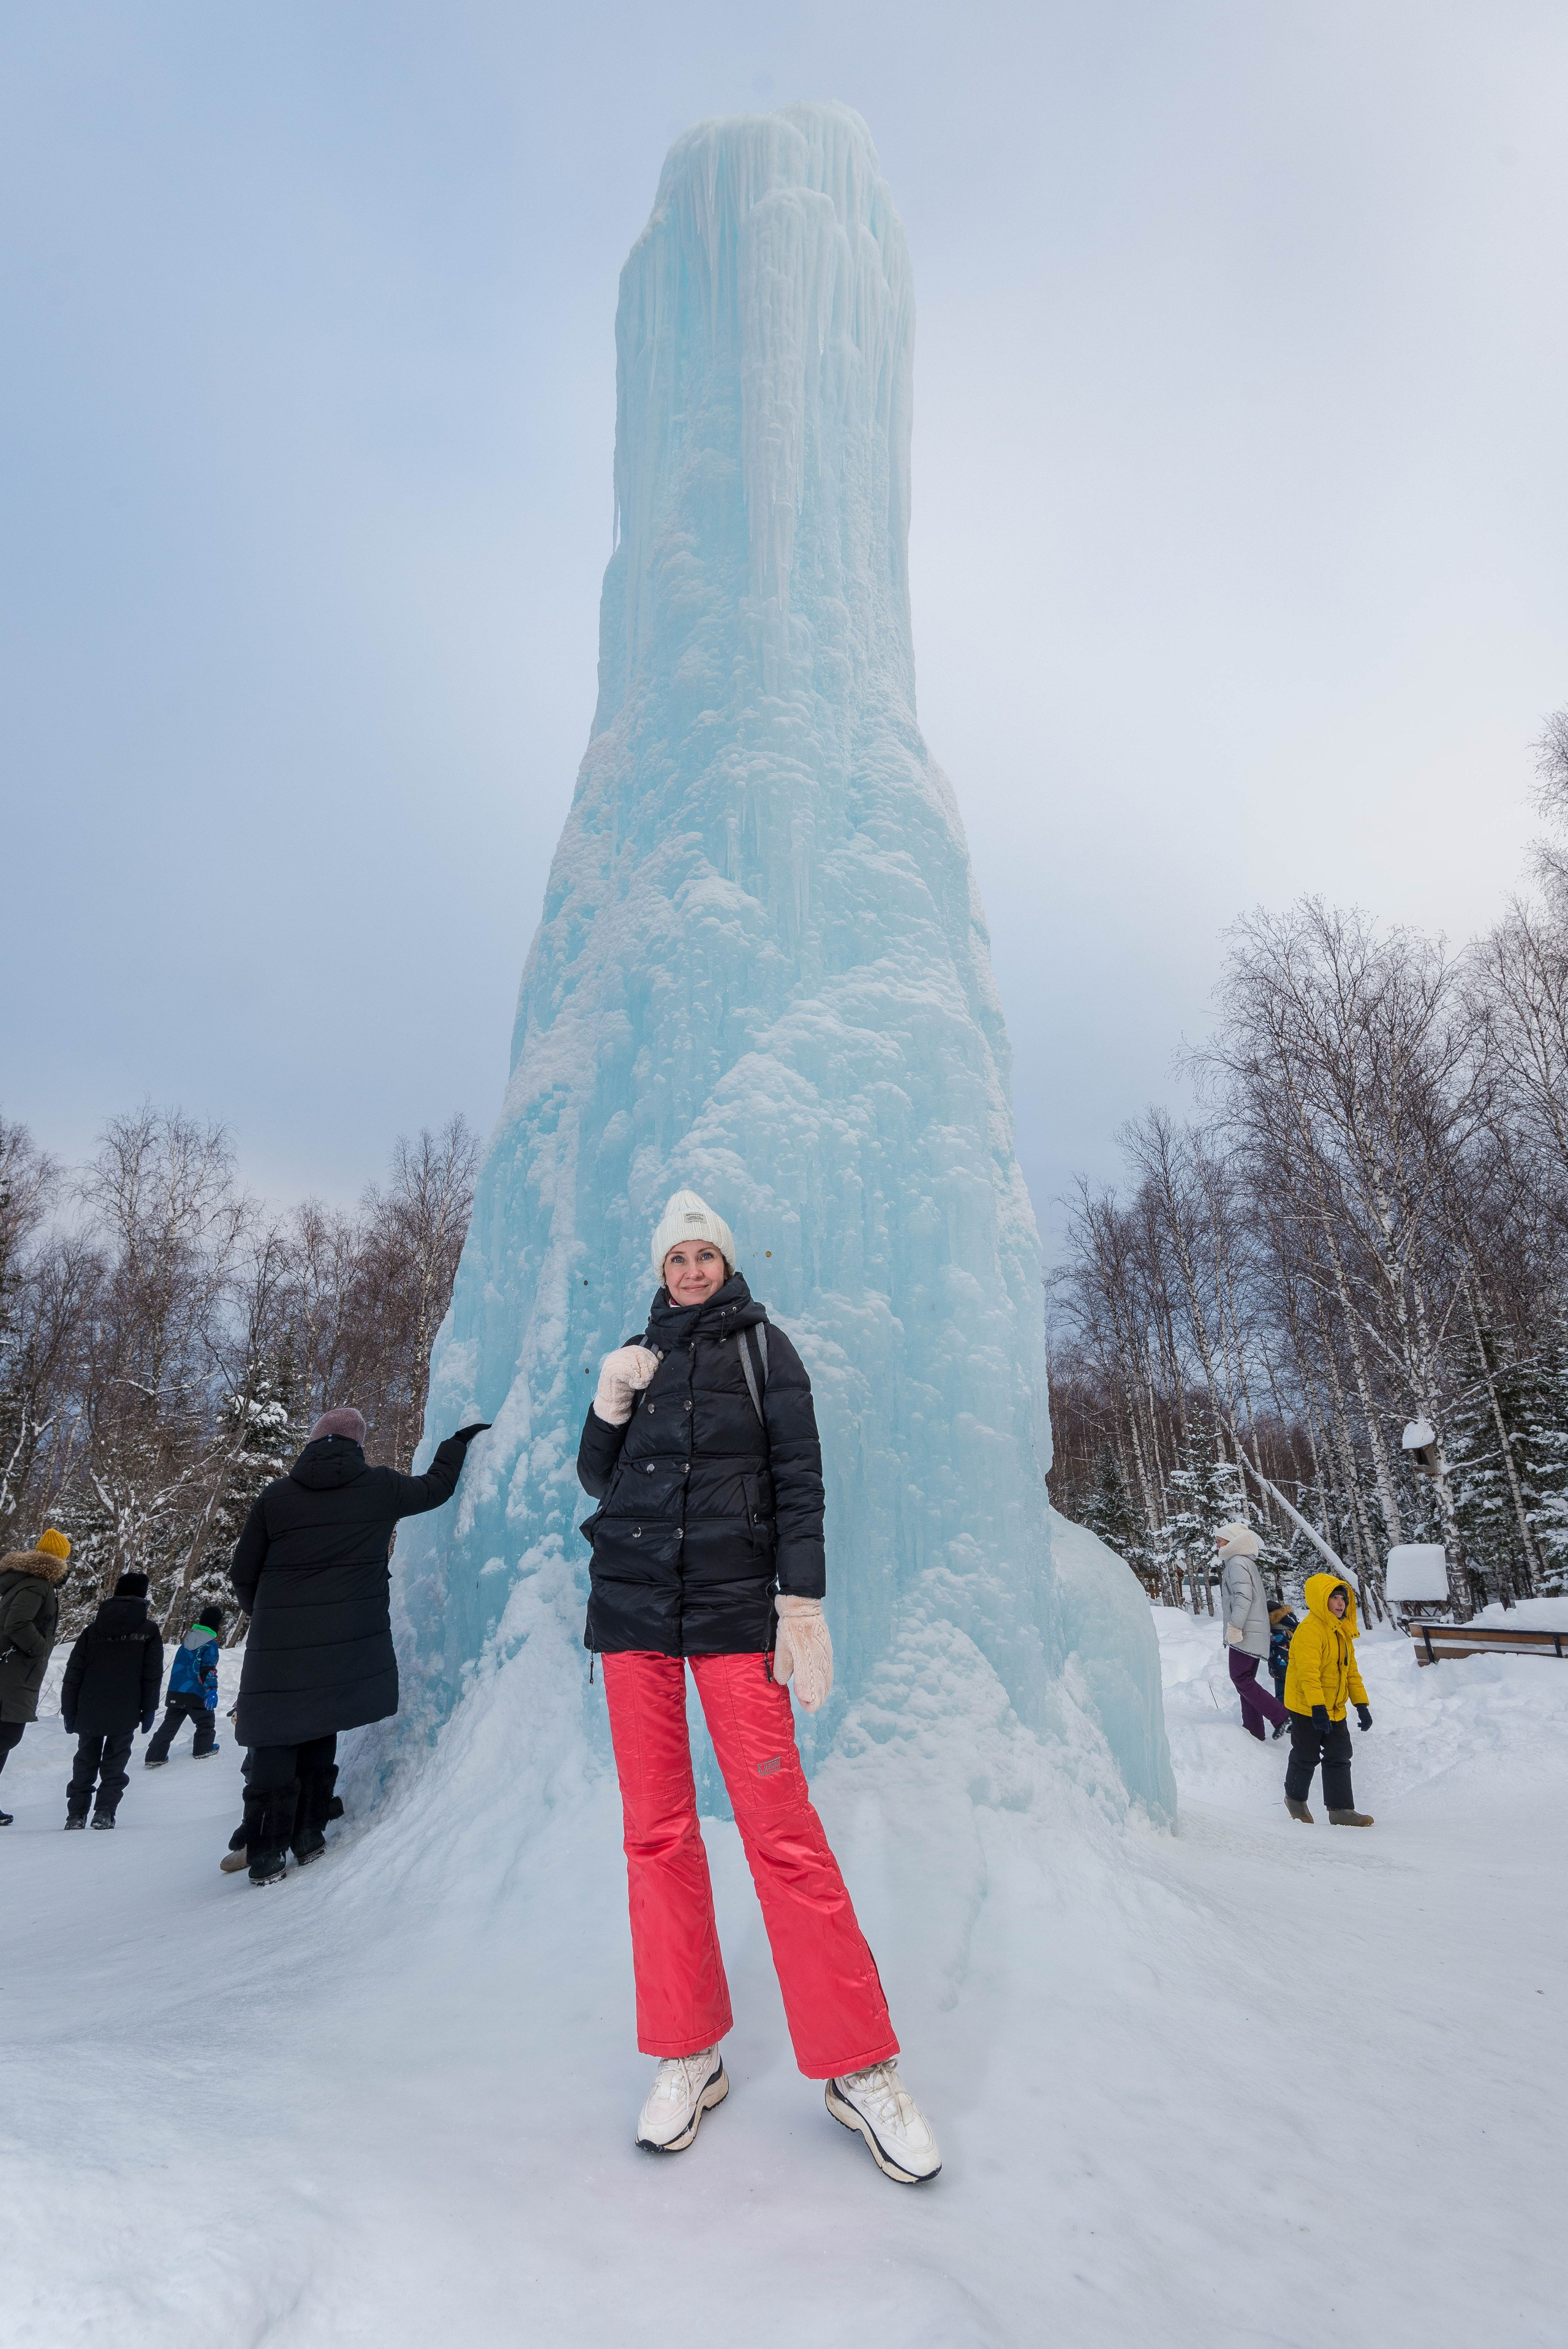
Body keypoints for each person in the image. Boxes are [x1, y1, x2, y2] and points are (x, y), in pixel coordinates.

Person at [577, 1188, 941, 2186]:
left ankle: (860, 2067)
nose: (689, 1270)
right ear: (661, 1269)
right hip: (634, 1618)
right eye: (675, 1258)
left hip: (738, 1620)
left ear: (726, 1264)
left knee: (782, 1831)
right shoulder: (639, 1355)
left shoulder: (764, 1352)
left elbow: (800, 1480)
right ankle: (686, 2053)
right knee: (656, 1832)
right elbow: (600, 1482)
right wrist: (609, 1406)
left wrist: (803, 1602)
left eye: (703, 1255)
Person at [229, 1403, 488, 1886]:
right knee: (318, 1726)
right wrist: (456, 1444)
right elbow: (436, 1487)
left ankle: (265, 1855)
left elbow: (242, 1573)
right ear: (357, 1444)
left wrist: (266, 1615)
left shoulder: (277, 1497)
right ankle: (308, 1837)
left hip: (279, 1643)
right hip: (343, 1638)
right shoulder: (380, 1487)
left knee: (275, 1741)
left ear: (312, 1443)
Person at [60, 1570, 164, 1828]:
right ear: (143, 1596)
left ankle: (76, 1815)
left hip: (90, 1703)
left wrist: (69, 1708)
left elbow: (74, 1672)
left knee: (86, 1758)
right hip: (126, 1707)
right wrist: (149, 1709)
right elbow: (152, 1675)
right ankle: (105, 1811)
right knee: (116, 1761)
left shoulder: (93, 1630)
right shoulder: (148, 1630)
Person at [1282, 1572, 1374, 1827]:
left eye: (1342, 1598)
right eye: (1333, 1598)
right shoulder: (1310, 1630)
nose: (1340, 1603)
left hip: (1335, 1707)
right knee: (1306, 1755)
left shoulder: (1342, 1631)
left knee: (1340, 1754)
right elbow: (1307, 1673)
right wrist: (1317, 1708)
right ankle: (1295, 1799)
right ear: (1320, 1600)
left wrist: (1361, 1705)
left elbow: (1351, 1671)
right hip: (1306, 1706)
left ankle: (1341, 1809)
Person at [0, 1526, 72, 1824]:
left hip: (12, 1673)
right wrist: (41, 1649)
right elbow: (17, 1623)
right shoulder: (38, 1585)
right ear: (60, 1559)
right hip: (13, 1676)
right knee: (7, 1736)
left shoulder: (25, 1581)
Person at [1216, 1522, 1289, 1743]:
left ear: (1231, 1541)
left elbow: (1243, 1598)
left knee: (1240, 1677)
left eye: (1219, 1540)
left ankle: (1281, 1716)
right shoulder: (1243, 1561)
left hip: (1246, 1631)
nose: (1216, 1544)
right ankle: (1254, 1732)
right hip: (1253, 1629)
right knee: (1246, 1680)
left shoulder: (1237, 1562)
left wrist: (1235, 1627)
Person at [145, 1603, 225, 1765]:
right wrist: (211, 1689)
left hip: (177, 1692)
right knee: (206, 1722)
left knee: (170, 1725)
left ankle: (155, 1756)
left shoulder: (188, 1640)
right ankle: (203, 1749)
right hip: (195, 1692)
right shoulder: (211, 1643)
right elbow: (208, 1669)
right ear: (217, 1625)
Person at [1268, 1601, 1298, 1709]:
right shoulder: (1290, 1624)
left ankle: (1285, 1716)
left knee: (1282, 1695)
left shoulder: (1279, 1630)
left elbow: (1274, 1641)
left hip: (1281, 1668)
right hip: (1289, 1666)